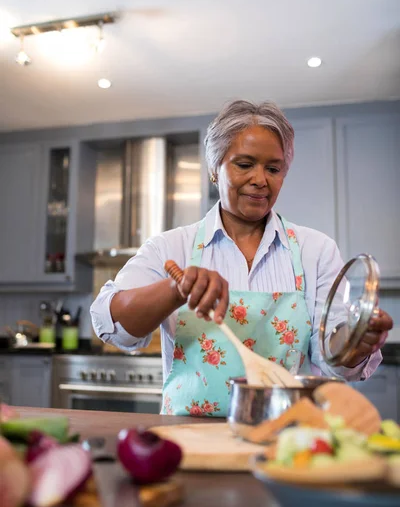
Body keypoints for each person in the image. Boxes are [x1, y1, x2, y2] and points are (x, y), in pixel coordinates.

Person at [91, 99, 393, 417]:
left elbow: (330, 359)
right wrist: (174, 290)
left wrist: (356, 339)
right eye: (245, 164)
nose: (260, 179)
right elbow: (112, 324)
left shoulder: (315, 250)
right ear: (214, 168)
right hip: (190, 440)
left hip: (286, 436)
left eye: (273, 169)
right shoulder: (170, 247)